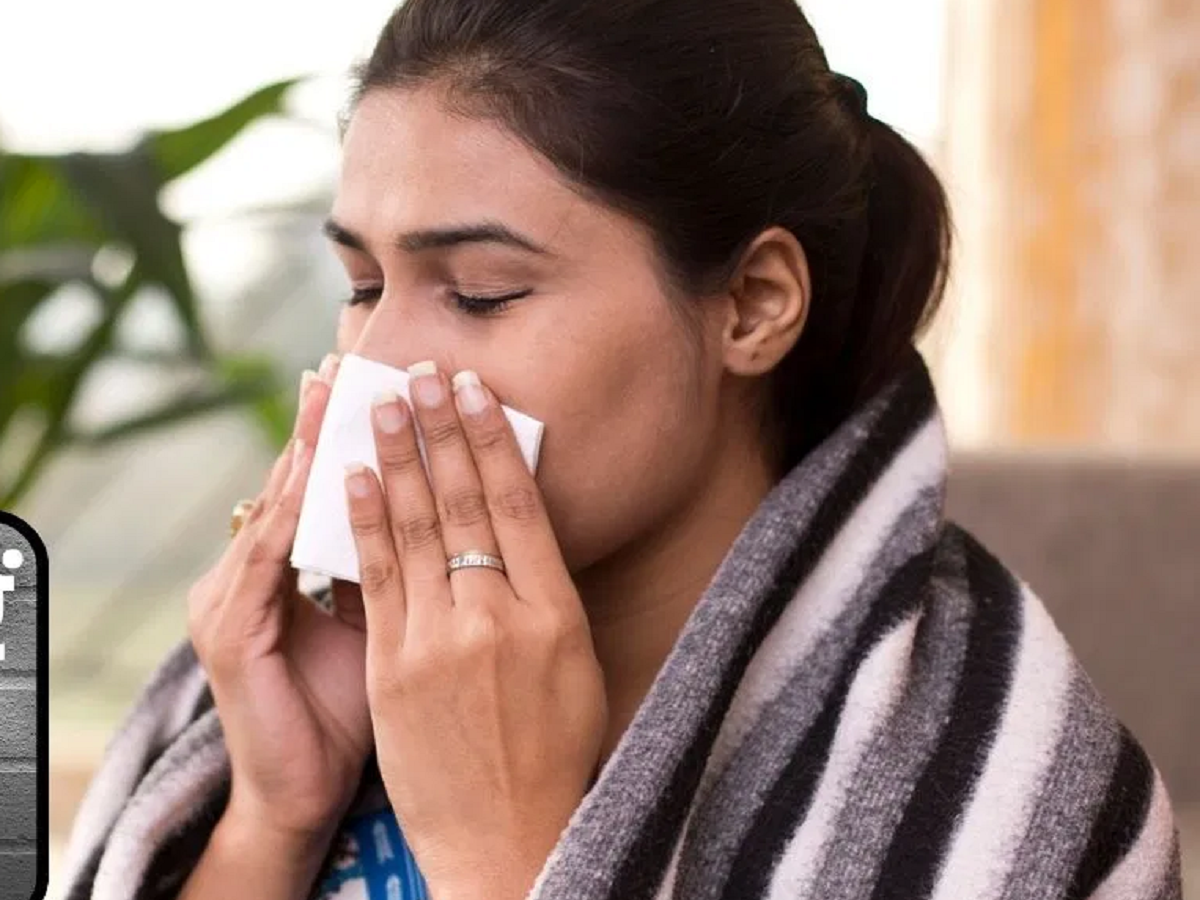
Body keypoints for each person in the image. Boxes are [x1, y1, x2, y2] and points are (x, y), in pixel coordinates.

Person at [57, 0, 1183, 898]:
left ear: (753, 304)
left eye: (481, 293)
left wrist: (504, 858)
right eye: (361, 286)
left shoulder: (993, 784)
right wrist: (273, 813)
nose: (375, 361)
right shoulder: (292, 683)